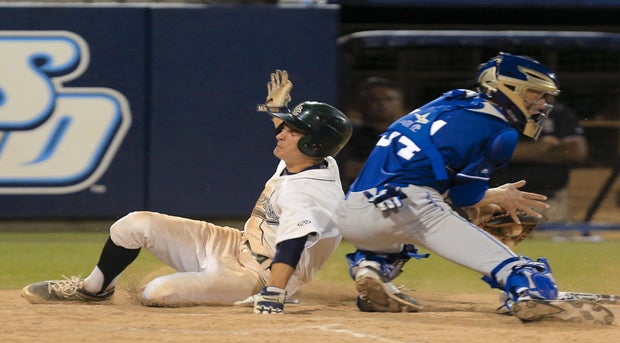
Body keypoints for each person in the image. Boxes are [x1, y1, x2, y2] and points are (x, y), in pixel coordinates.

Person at [21, 69, 353, 314]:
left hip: (258, 274)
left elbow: (293, 245)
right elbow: (295, 138)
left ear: (313, 144)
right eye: (288, 126)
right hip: (235, 244)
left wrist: (274, 292)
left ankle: (223, 286)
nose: (281, 133)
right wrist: (277, 110)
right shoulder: (312, 160)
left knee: (157, 293)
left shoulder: (307, 193)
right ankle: (94, 289)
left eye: (294, 131)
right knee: (134, 224)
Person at [336, 52, 566, 316]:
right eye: (534, 94)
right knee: (523, 272)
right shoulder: (500, 131)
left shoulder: (452, 100)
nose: (542, 103)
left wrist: (483, 198)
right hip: (412, 206)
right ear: (508, 89)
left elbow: (441, 174)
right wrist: (493, 198)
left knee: (390, 247)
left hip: (352, 211)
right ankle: (531, 294)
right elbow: (465, 196)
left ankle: (371, 267)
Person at [489, 97, 588, 223]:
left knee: (556, 241)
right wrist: (543, 148)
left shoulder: (558, 112)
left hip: (549, 202)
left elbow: (576, 153)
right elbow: (496, 152)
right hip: (500, 201)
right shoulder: (498, 112)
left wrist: (522, 152)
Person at [337, 77, 405, 191]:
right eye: (375, 99)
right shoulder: (346, 133)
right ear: (361, 103)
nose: (382, 104)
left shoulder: (406, 135)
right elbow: (344, 168)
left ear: (399, 103)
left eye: (389, 99)